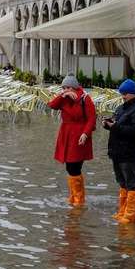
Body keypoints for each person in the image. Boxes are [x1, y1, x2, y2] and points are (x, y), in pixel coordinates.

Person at [103, 79, 135, 224]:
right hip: (116, 151)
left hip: (129, 153)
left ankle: (130, 216)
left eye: (125, 94)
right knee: (122, 182)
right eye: (122, 93)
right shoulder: (121, 108)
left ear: (133, 93)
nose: (123, 96)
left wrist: (115, 127)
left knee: (132, 183)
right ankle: (122, 211)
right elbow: (117, 123)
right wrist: (108, 124)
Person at [47, 75, 96, 207]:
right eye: (63, 88)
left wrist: (85, 133)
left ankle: (79, 199)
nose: (66, 90)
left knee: (74, 166)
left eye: (68, 87)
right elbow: (51, 105)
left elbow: (92, 119)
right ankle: (74, 196)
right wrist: (62, 96)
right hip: (66, 133)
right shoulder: (64, 98)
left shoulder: (85, 98)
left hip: (79, 135)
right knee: (69, 166)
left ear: (75, 87)